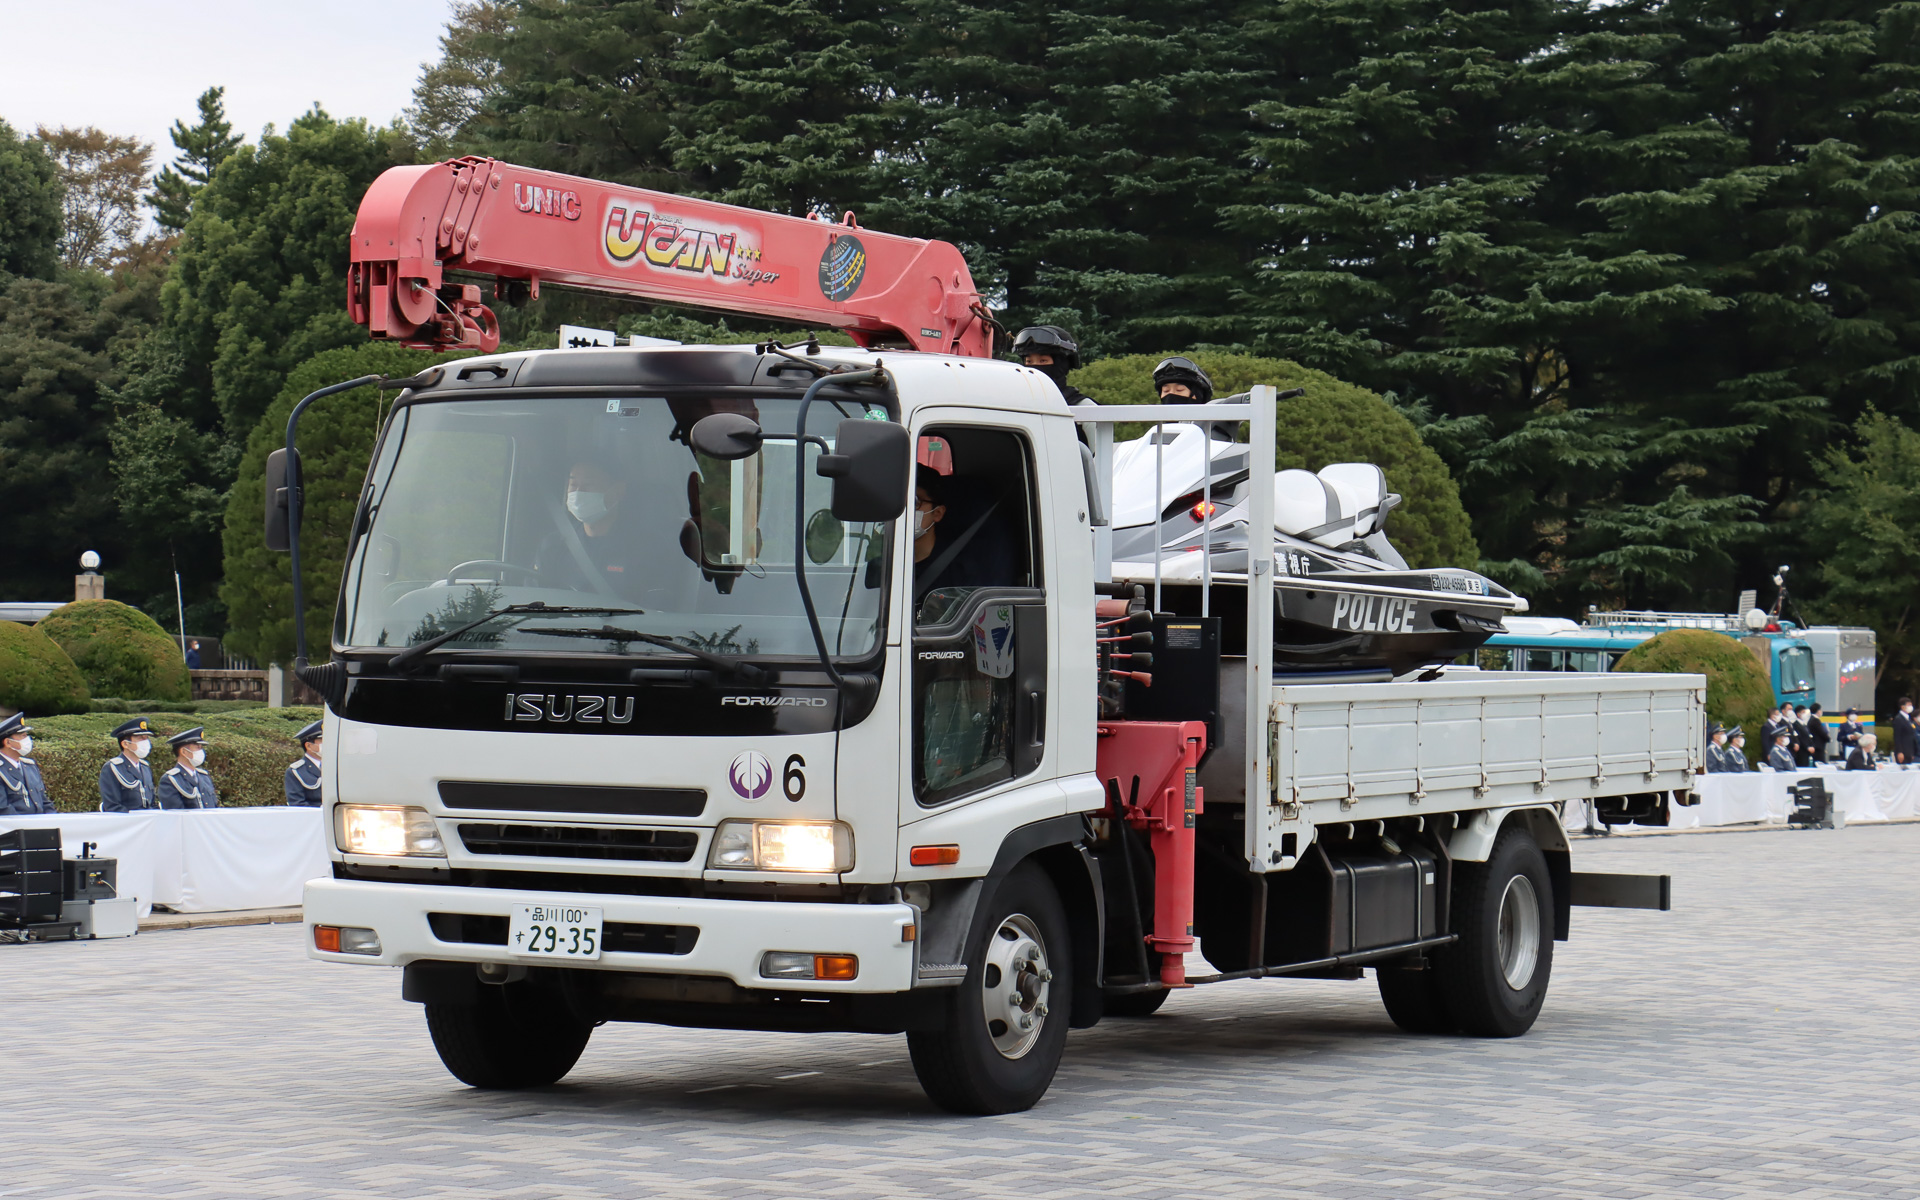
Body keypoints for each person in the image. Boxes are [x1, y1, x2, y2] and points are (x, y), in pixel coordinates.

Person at [535, 457, 649, 598]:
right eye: (573, 484)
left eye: (588, 484)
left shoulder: (644, 549)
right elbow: (535, 599)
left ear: (619, 491)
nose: (578, 492)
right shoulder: (553, 545)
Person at [913, 467, 1018, 602]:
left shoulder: (961, 570)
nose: (905, 509)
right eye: (900, 501)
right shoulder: (882, 566)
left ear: (938, 513)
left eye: (915, 502)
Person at [1011, 326, 1090, 405]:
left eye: (1043, 361)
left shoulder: (1084, 407)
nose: (1034, 367)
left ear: (1061, 365)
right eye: (1029, 361)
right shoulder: (1015, 403)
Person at [98, 717, 160, 812]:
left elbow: (151, 803)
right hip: (128, 823)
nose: (145, 742)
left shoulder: (145, 767)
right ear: (125, 744)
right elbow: (112, 806)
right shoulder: (113, 767)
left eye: (146, 738)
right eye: (140, 738)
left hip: (148, 822)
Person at [0, 712, 53, 816]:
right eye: (22, 736)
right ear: (8, 742)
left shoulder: (30, 766)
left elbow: (45, 802)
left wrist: (52, 821)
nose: (27, 740)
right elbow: (3, 809)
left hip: (40, 827)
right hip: (16, 829)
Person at [158, 728, 219, 809]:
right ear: (184, 752)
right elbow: (175, 814)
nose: (201, 751)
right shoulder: (170, 779)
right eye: (197, 747)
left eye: (201, 747)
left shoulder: (204, 776)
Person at [284, 721, 323, 807]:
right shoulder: (296, 771)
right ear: (309, 746)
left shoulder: (336, 767)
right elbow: (297, 804)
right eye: (322, 741)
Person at [1894, 697, 1918, 765]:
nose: (1910, 707)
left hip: (1909, 751)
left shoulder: (1908, 719)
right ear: (1902, 707)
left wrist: (1912, 752)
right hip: (1903, 752)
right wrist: (1899, 752)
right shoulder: (1898, 719)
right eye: (1908, 705)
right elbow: (1897, 736)